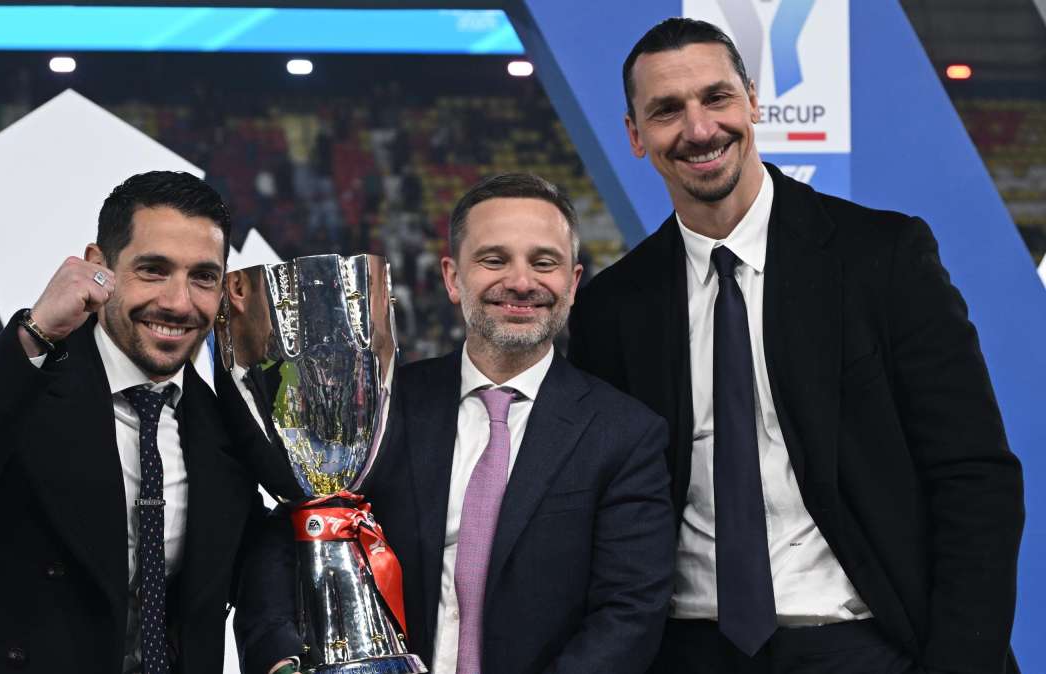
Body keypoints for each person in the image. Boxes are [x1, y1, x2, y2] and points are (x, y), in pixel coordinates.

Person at [567, 17, 1025, 674]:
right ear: (636, 136)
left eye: (716, 98)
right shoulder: (613, 307)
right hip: (686, 652)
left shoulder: (883, 257)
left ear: (753, 101)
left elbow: (975, 477)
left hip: (865, 647)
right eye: (666, 110)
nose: (699, 128)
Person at [240, 172, 675, 674]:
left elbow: (628, 614)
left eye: (544, 262)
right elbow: (289, 535)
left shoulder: (626, 435)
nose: (521, 282)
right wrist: (280, 657)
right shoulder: (380, 407)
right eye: (494, 260)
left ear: (573, 283)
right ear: (452, 277)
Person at [0, 171, 278, 673]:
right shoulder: (8, 373)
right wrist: (35, 334)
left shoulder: (228, 424)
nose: (179, 302)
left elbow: (252, 564)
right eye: (153, 270)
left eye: (203, 277)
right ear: (99, 267)